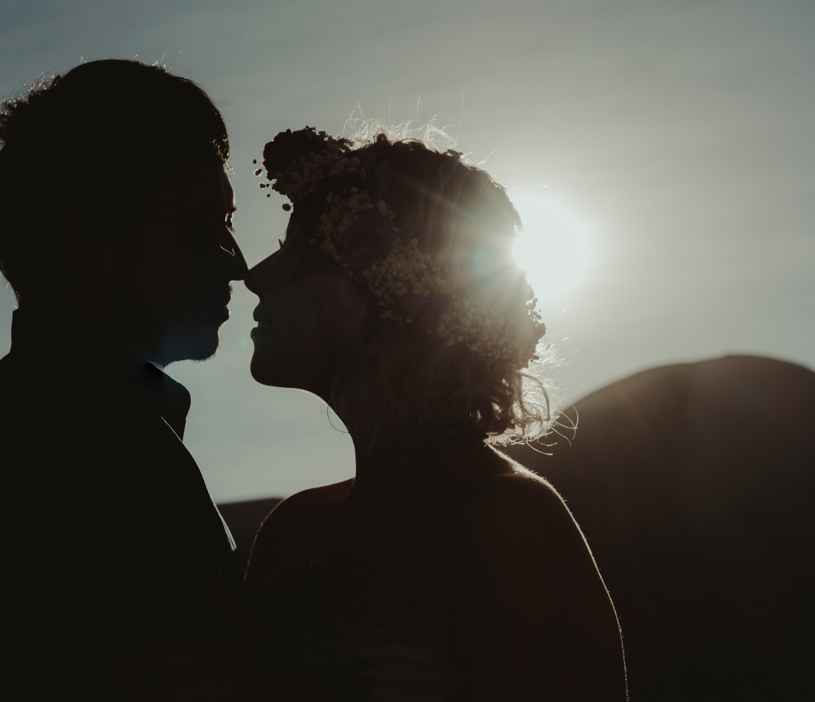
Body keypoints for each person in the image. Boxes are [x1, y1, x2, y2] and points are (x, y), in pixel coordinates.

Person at [243, 128, 627, 701]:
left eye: (297, 253)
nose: (257, 275)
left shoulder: (506, 523)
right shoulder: (292, 530)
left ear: (378, 291)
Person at [0, 60, 253, 700]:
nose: (236, 263)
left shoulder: (47, 422)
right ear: (89, 249)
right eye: (201, 229)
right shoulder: (69, 449)